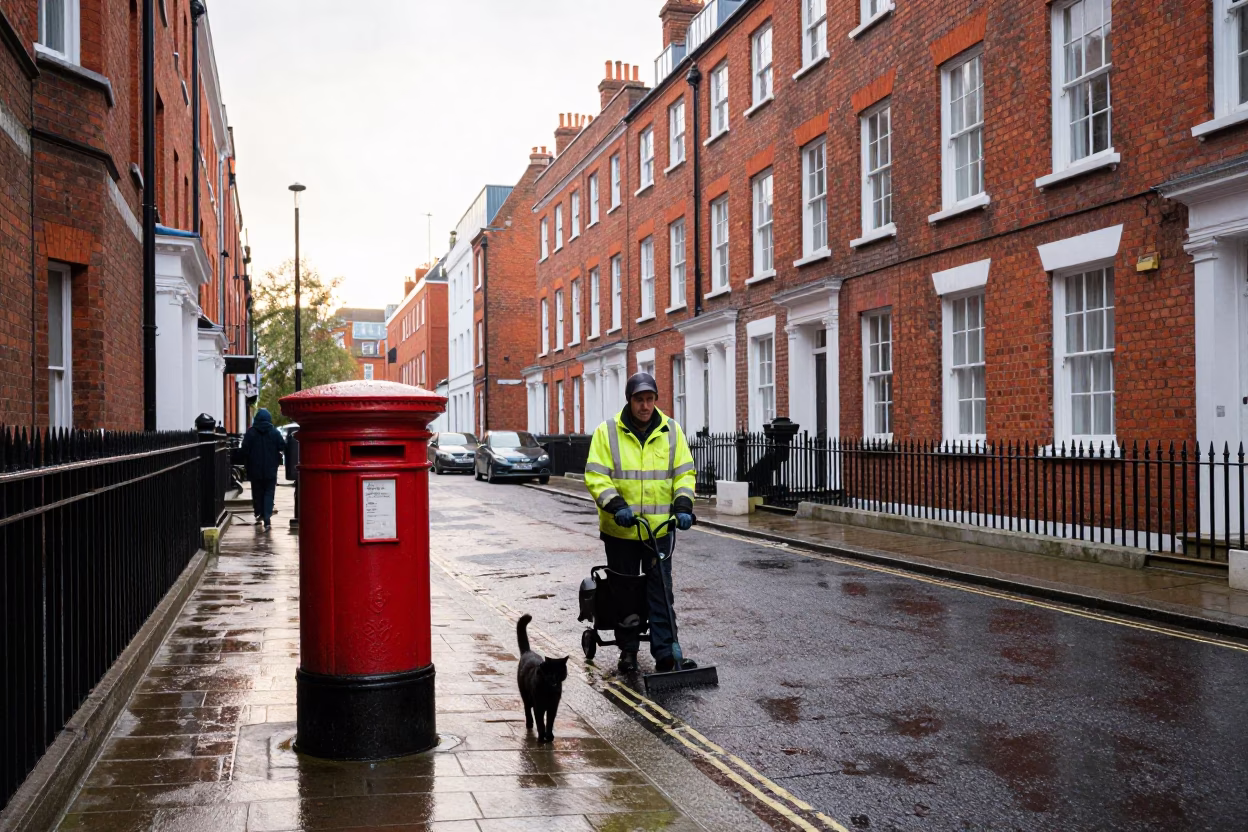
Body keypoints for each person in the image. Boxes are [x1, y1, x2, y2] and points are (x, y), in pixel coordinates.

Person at [584, 372, 697, 674]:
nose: (645, 405)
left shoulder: (672, 431)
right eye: (639, 399)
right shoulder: (607, 433)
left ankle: (665, 654)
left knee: (661, 591)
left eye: (649, 399)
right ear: (629, 400)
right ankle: (628, 652)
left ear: (655, 400)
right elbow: (596, 476)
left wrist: (683, 505)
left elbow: (684, 473)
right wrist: (616, 505)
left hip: (659, 531)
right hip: (621, 530)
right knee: (626, 593)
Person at [241, 408, 286, 530]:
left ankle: (259, 513)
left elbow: (244, 450)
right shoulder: (275, 432)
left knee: (257, 492)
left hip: (254, 469)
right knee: (269, 493)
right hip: (270, 469)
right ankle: (267, 518)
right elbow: (282, 445)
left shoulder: (251, 433)